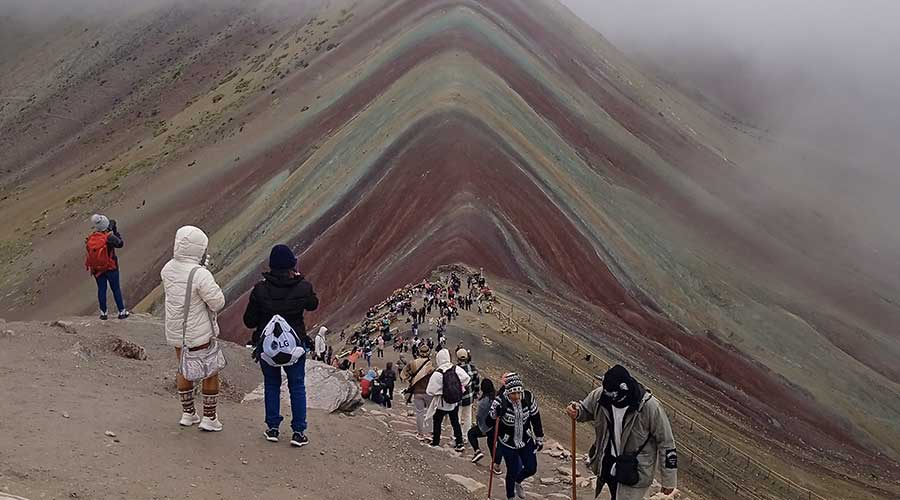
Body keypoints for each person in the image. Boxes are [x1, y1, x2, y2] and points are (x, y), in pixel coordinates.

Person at [243, 244, 318, 448]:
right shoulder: (303, 287)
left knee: (271, 384)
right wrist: (300, 280)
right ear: (291, 265)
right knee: (297, 385)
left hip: (267, 347)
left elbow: (249, 321)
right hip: (295, 345)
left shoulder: (260, 289)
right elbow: (313, 304)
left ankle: (273, 428)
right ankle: (298, 432)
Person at [566, 365, 677, 500]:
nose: (607, 395)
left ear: (623, 389)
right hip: (606, 462)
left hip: (635, 470)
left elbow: (666, 443)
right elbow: (585, 411)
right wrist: (577, 412)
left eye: (611, 394)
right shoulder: (601, 395)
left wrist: (669, 480)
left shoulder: (649, 407)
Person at [161, 225, 225, 431]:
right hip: (199, 332)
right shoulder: (200, 274)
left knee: (183, 368)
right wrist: (205, 273)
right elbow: (217, 302)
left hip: (176, 329)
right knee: (210, 372)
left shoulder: (167, 269)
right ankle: (210, 418)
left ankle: (188, 414)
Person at [490, 373, 543, 500]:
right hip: (508, 442)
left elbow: (536, 418)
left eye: (519, 392)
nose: (517, 396)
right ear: (507, 392)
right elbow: (490, 421)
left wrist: (539, 437)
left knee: (531, 468)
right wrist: (495, 414)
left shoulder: (528, 398)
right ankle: (510, 496)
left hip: (526, 439)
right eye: (514, 394)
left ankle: (518, 482)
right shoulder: (500, 401)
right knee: (512, 470)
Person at [425, 348, 471, 451]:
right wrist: (458, 387)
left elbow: (430, 391)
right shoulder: (456, 369)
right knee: (455, 422)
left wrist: (441, 391)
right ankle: (459, 443)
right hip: (454, 402)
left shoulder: (438, 373)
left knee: (437, 421)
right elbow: (467, 379)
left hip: (441, 402)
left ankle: (436, 441)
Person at [85, 214, 129, 320]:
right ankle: (122, 312)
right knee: (115, 289)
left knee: (101, 289)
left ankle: (103, 313)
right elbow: (120, 244)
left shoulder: (91, 238)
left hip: (97, 269)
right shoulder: (109, 237)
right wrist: (114, 230)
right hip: (110, 267)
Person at [400, 344, 434, 441]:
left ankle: (420, 434)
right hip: (428, 391)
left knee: (419, 413)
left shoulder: (413, 363)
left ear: (419, 352)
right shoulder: (430, 364)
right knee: (429, 412)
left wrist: (410, 380)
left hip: (417, 391)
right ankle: (429, 433)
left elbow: (403, 373)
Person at [468, 378, 496, 464]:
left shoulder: (484, 401)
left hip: (486, 426)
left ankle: (477, 451)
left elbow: (480, 416)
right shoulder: (496, 397)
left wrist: (482, 429)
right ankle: (495, 464)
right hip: (495, 427)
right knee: (491, 444)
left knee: (471, 433)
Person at [457, 348, 481, 432]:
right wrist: (475, 394)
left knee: (457, 417)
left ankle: (455, 436)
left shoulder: (455, 369)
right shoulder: (473, 369)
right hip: (469, 396)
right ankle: (465, 436)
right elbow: (476, 383)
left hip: (458, 398)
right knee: (468, 417)